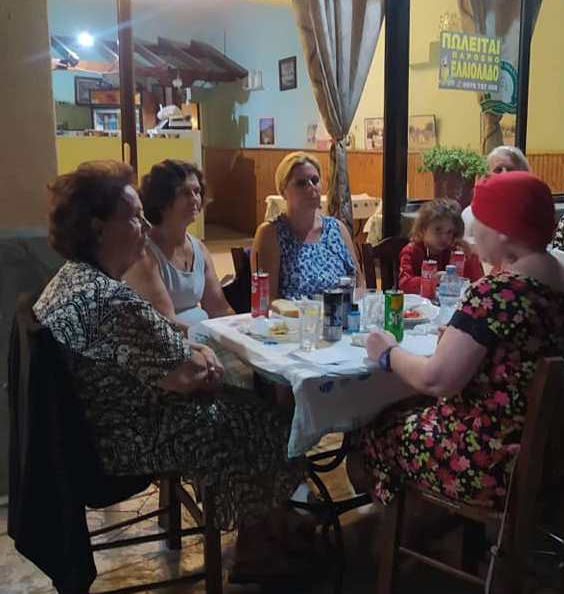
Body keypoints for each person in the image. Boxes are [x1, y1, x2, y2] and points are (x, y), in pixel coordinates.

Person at [34, 161, 308, 576]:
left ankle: (267, 527)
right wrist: (204, 364)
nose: (145, 226)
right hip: (127, 439)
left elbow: (170, 351)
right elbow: (189, 374)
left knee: (246, 406)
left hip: (95, 429)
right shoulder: (110, 300)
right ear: (98, 228)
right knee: (268, 422)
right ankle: (258, 544)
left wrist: (197, 360)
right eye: (134, 217)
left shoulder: (73, 280)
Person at [351, 171, 564, 508]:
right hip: (560, 452)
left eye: (477, 223)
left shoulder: (496, 293)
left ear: (502, 231)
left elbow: (435, 380)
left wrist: (387, 352)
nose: (469, 234)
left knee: (374, 428)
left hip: (492, 464)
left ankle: (405, 525)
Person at [124, 160, 232, 334]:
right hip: (172, 342)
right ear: (162, 199)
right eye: (184, 193)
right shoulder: (144, 253)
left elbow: (219, 309)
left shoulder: (199, 248)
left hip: (203, 336)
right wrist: (213, 339)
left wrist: (243, 331)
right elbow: (166, 322)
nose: (194, 199)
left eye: (197, 191)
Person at [251, 151, 362, 300]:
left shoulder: (338, 229)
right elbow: (266, 300)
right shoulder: (271, 234)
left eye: (315, 181)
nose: (311, 187)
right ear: (283, 190)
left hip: (342, 312)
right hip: (294, 314)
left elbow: (359, 283)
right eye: (301, 183)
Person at [398, 198, 484, 293]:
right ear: (423, 230)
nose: (444, 237)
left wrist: (470, 256)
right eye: (438, 230)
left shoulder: (454, 252)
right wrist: (432, 280)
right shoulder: (411, 251)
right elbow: (404, 284)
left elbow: (479, 284)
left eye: (449, 232)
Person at [462, 145, 531, 238]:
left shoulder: (533, 212)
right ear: (487, 176)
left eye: (510, 169)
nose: (504, 174)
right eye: (498, 170)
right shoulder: (471, 214)